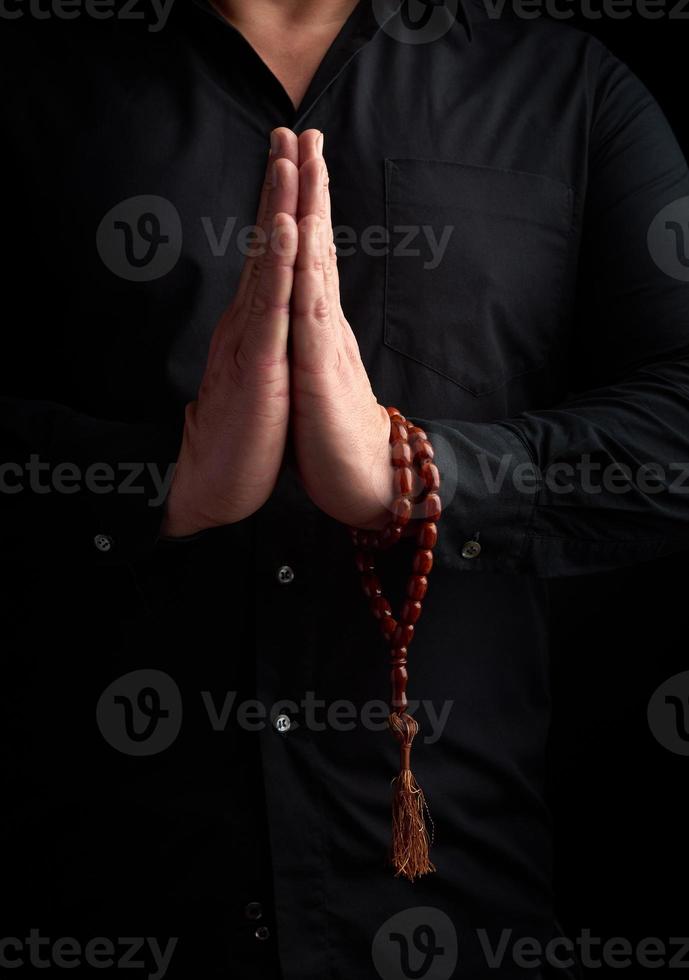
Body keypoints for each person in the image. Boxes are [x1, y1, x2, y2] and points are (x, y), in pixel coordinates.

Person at [1, 0, 688, 977]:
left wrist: (412, 473)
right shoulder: (27, 78)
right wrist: (163, 480)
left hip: (458, 918)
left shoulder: (567, 90)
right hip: (91, 900)